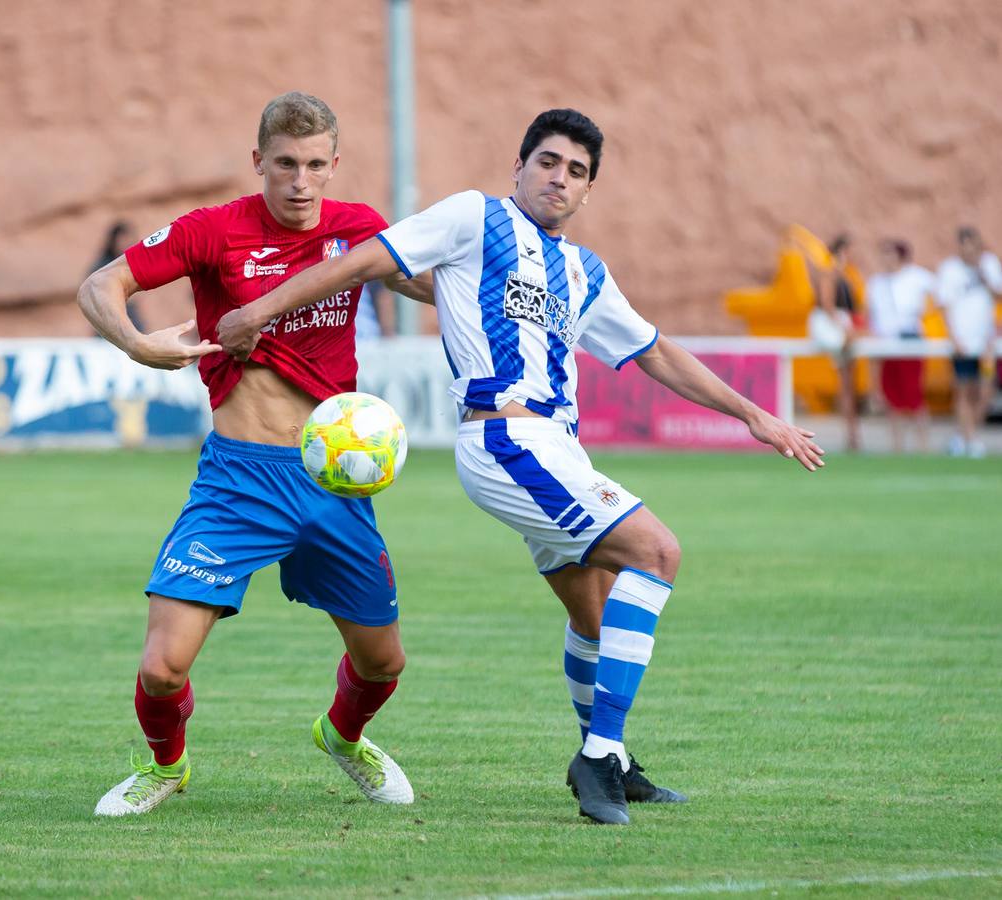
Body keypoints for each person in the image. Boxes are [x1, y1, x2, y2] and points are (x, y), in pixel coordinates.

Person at [218, 108, 823, 825]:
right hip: (507, 441)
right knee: (656, 552)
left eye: (575, 171)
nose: (558, 179)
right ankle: (598, 754)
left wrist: (753, 414)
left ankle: (613, 760)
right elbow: (365, 261)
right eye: (547, 162)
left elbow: (655, 352)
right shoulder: (473, 218)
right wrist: (259, 309)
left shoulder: (582, 271)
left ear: (587, 190)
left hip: (555, 448)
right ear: (518, 167)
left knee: (593, 614)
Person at [78, 91, 431, 817]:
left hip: (334, 481)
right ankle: (165, 766)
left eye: (313, 165)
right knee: (161, 668)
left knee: (383, 663)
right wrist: (139, 344)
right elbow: (99, 285)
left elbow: (429, 284)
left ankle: (343, 737)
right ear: (257, 162)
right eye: (284, 165)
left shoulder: (359, 230)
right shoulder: (214, 231)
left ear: (334, 165)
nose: (299, 182)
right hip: (238, 478)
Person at [935, 227, 1002, 458]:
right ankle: (970, 439)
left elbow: (998, 296)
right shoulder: (950, 269)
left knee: (985, 391)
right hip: (962, 340)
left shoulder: (989, 265)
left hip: (985, 342)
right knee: (963, 390)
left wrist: (985, 277)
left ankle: (962, 435)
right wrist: (954, 339)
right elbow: (943, 305)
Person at [865, 239, 935, 453]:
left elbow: (942, 294)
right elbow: (872, 314)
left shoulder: (916, 276)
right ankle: (897, 446)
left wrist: (924, 314)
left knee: (913, 395)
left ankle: (923, 446)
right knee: (891, 396)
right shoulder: (876, 283)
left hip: (909, 338)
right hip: (886, 342)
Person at [811, 235, 864, 451]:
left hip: (840, 323)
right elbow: (827, 305)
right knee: (845, 383)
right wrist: (846, 330)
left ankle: (852, 436)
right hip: (831, 326)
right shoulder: (829, 273)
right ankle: (851, 436)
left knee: (848, 385)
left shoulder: (845, 276)